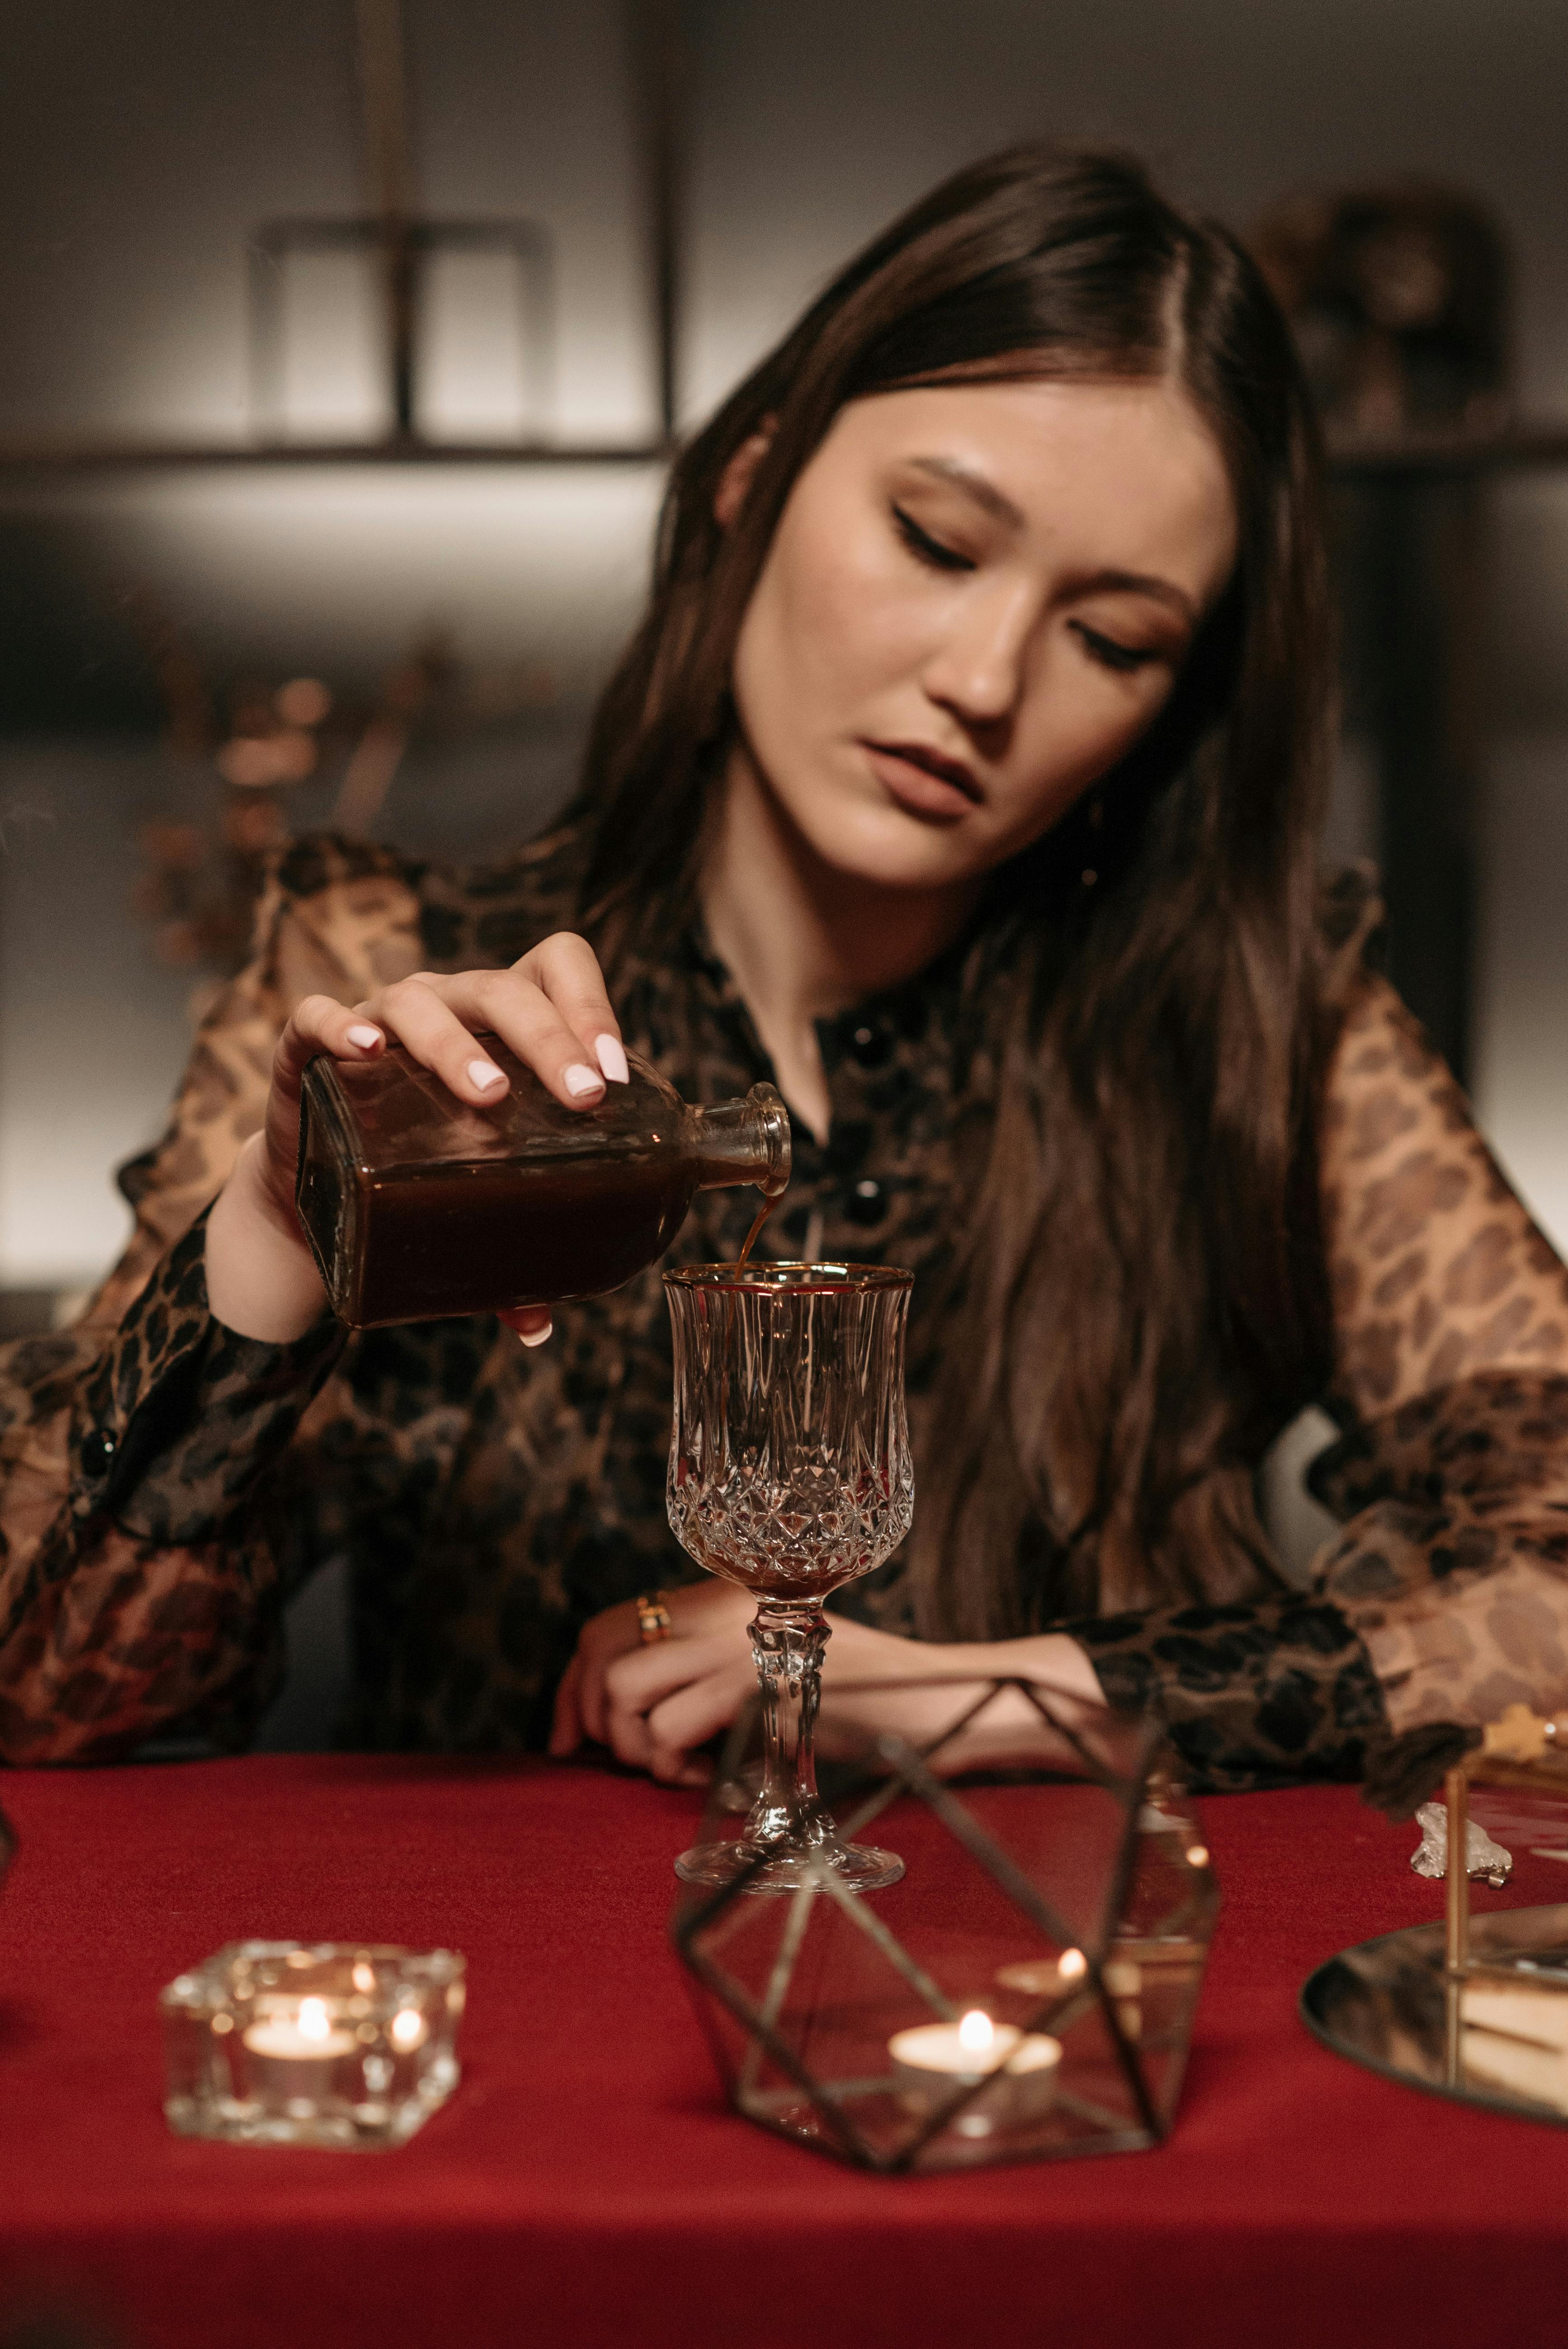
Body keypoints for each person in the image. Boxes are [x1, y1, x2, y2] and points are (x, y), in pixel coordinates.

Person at [4, 145, 1567, 1793]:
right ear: (751, 477)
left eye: (1111, 640)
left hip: (1072, 1995)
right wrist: (272, 1230)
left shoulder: (1261, 1022)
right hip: (521, 2011)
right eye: (935, 539)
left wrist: (1006, 1695)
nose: (980, 679)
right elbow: (43, 1696)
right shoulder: (400, 975)